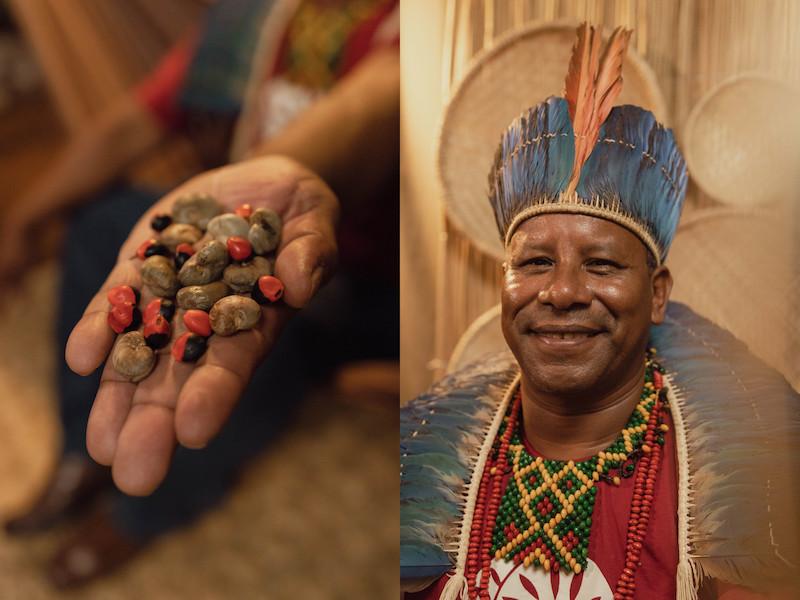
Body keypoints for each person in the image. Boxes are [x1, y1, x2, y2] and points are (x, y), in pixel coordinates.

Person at [3, 0, 398, 588]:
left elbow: (383, 95)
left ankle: (143, 514)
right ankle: (80, 456)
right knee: (100, 229)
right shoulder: (252, 16)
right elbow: (131, 122)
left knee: (264, 343)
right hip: (241, 209)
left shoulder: (414, 22)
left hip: (371, 273)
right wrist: (23, 218)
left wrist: (287, 167)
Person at [400, 24, 798, 600]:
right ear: (503, 283)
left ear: (657, 293)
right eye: (535, 262)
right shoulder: (423, 460)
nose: (562, 292)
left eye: (602, 265)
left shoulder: (753, 491)